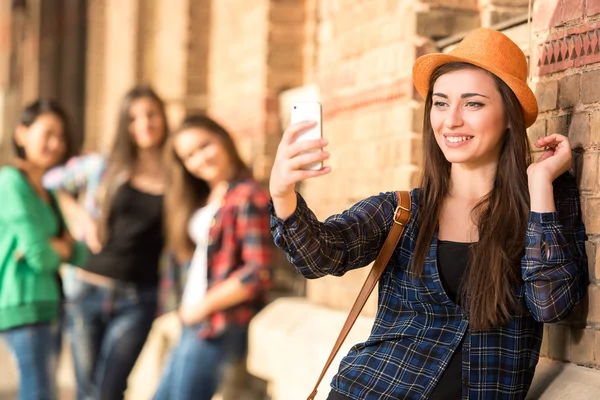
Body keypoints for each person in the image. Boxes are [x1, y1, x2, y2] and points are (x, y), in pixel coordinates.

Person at [269, 28, 589, 399]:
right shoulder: (402, 212)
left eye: (473, 104)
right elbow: (320, 256)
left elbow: (551, 304)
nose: (451, 120)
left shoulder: (541, 207)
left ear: (508, 116)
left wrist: (539, 182)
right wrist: (282, 193)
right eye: (440, 103)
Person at [43, 86, 169, 400]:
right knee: (87, 390)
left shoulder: (177, 173)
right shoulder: (106, 166)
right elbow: (50, 181)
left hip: (139, 297)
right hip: (88, 287)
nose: (144, 123)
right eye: (133, 118)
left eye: (151, 114)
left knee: (110, 390)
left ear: (163, 117)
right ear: (124, 125)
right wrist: (79, 216)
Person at [154, 115, 273, 400]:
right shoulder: (206, 196)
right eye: (189, 156)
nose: (199, 160)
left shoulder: (248, 196)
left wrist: (202, 307)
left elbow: (258, 272)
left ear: (223, 138)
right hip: (193, 321)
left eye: (204, 146)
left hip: (216, 323)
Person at [0, 99, 87, 400]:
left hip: (50, 303)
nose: (56, 144)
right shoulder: (11, 182)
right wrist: (55, 248)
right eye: (47, 134)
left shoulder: (51, 189)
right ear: (21, 133)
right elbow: (40, 255)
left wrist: (59, 247)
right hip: (22, 302)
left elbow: (80, 252)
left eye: (61, 137)